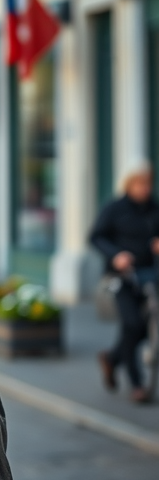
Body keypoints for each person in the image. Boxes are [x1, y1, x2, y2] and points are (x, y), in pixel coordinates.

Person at [91, 160, 159, 404]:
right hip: (122, 279)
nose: (144, 189)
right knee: (132, 325)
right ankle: (138, 384)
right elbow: (96, 237)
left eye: (147, 183)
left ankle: (112, 359)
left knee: (144, 328)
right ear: (129, 184)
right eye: (139, 183)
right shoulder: (115, 209)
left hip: (149, 278)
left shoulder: (153, 209)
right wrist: (116, 255)